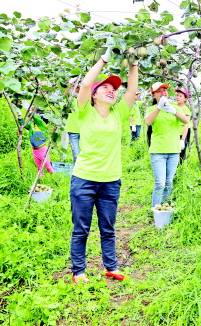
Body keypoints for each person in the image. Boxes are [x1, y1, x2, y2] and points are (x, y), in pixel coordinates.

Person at [69, 46, 138, 284]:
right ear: (95, 94)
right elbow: (86, 84)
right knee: (81, 229)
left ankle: (111, 266)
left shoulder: (118, 113)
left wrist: (133, 63)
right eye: (106, 88)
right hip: (85, 179)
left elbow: (132, 90)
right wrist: (104, 59)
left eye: (113, 89)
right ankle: (79, 271)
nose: (112, 91)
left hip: (110, 181)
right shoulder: (84, 112)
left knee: (108, 227)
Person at [145, 82, 190, 207]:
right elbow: (148, 122)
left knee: (169, 182)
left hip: (173, 150)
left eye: (165, 90)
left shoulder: (175, 107)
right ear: (153, 94)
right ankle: (156, 208)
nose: (164, 92)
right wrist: (159, 108)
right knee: (160, 183)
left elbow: (186, 120)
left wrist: (173, 110)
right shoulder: (151, 109)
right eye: (160, 91)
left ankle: (165, 207)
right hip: (158, 151)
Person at [20, 111, 54, 175]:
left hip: (42, 150)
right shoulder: (31, 126)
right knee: (39, 167)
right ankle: (41, 179)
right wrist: (20, 118)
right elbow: (24, 124)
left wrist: (32, 114)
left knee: (48, 166)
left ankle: (53, 177)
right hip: (35, 151)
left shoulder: (43, 127)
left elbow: (38, 120)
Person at [64, 76, 81, 163]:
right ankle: (76, 173)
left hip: (85, 130)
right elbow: (66, 93)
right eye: (76, 85)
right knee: (76, 154)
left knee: (84, 154)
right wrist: (71, 82)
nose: (78, 87)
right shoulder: (71, 99)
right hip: (73, 130)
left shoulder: (85, 99)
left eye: (79, 85)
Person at [175, 88, 192, 161]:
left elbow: (186, 125)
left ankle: (181, 166)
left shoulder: (186, 109)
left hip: (183, 133)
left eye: (180, 96)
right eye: (177, 95)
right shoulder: (174, 106)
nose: (177, 97)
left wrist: (182, 139)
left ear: (185, 98)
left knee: (182, 150)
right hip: (174, 132)